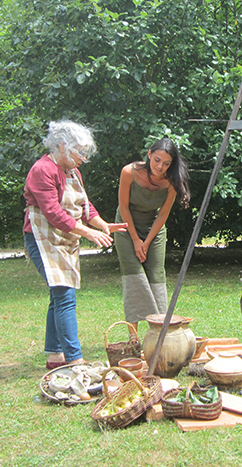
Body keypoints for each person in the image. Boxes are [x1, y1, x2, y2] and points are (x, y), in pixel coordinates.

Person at [23, 121, 127, 370]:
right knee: (64, 295)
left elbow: (84, 207)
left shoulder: (73, 172)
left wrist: (101, 224)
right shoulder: (42, 170)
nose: (83, 158)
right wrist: (88, 234)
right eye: (79, 151)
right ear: (62, 146)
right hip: (42, 238)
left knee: (59, 294)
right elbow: (54, 214)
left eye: (84, 153)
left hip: (66, 238)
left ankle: (54, 356)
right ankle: (74, 359)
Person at [114, 138, 190, 330]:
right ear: (149, 154)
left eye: (166, 163)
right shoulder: (128, 172)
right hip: (125, 227)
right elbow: (123, 207)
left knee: (156, 276)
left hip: (153, 230)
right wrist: (135, 240)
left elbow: (163, 214)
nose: (160, 166)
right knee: (134, 277)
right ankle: (133, 336)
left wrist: (146, 242)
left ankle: (159, 332)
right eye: (157, 160)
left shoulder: (172, 181)